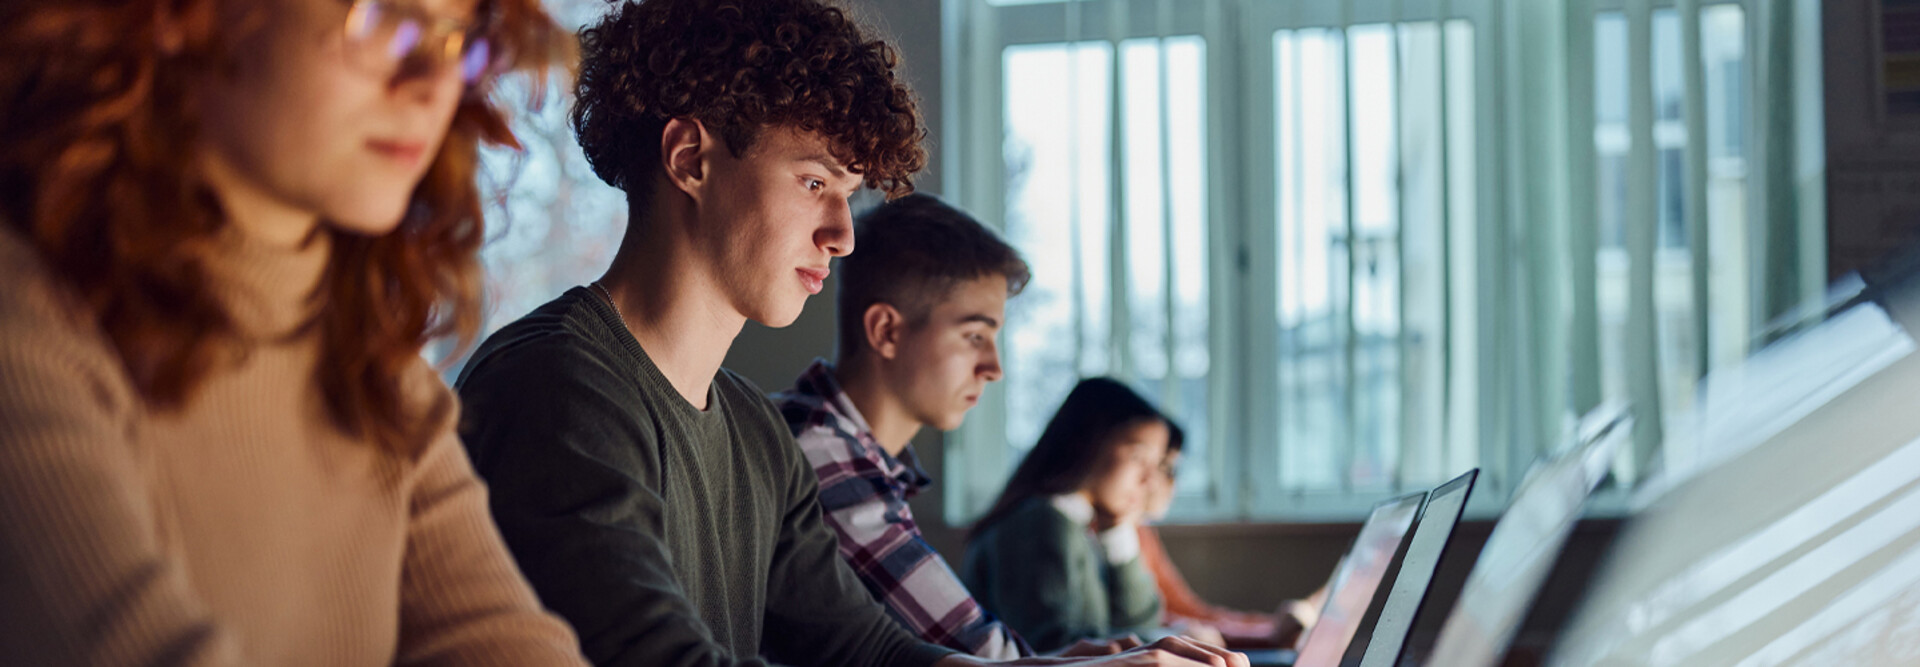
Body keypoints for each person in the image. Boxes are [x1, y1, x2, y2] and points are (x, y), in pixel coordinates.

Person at [453, 1, 1246, 666]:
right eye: (814, 182)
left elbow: (869, 650)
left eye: (848, 193)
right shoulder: (555, 386)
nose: (843, 234)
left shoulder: (757, 430)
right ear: (691, 157)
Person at [0, 0, 587, 663]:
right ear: (181, 16)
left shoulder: (373, 366)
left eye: (459, 38)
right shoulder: (25, 329)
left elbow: (502, 639)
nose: (433, 81)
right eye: (386, 15)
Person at [771, 193, 1039, 658]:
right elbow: (982, 654)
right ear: (886, 332)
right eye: (975, 336)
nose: (993, 367)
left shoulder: (860, 452)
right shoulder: (822, 451)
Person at [964, 377, 1202, 654]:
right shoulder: (1039, 521)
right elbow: (1057, 649)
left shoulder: (1083, 525)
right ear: (1089, 443)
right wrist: (1172, 641)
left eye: (1155, 463)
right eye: (1138, 457)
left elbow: (1138, 621)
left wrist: (1116, 532)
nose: (1150, 480)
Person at [1136, 443, 1317, 650]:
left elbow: (1192, 612)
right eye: (1167, 469)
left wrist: (1270, 626)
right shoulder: (1121, 535)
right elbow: (1167, 622)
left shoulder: (1141, 531)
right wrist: (1270, 634)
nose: (1172, 483)